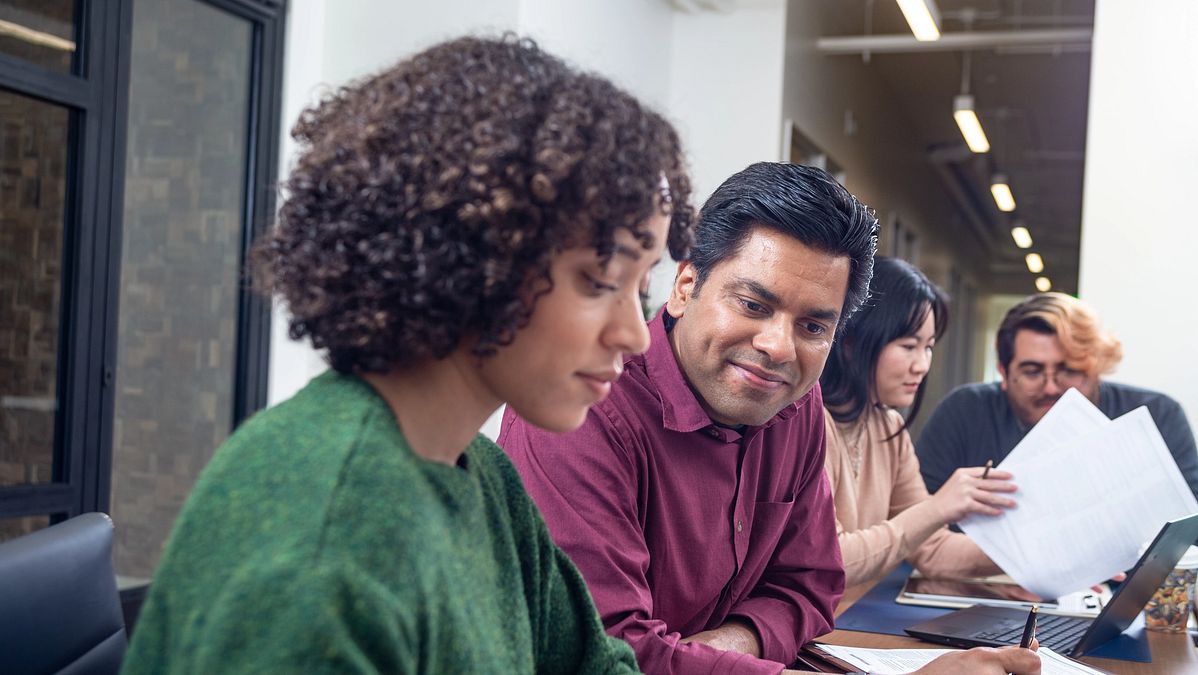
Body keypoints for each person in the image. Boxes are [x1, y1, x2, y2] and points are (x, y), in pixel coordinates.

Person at [121, 35, 696, 673]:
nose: (636, 334)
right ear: (477, 253)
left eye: (640, 290)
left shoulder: (479, 474)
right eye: (599, 281)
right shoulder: (323, 551)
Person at [500, 163, 1040, 675]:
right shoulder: (583, 405)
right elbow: (611, 658)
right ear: (685, 286)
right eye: (754, 306)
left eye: (812, 327)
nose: (778, 347)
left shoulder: (793, 401)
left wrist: (715, 651)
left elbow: (811, 585)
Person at [820, 257, 1016, 589]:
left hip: (856, 625)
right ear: (853, 341)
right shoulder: (808, 422)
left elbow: (934, 551)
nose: (922, 365)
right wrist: (938, 508)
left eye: (928, 347)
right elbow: (829, 562)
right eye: (909, 346)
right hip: (824, 630)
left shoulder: (887, 426)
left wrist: (1042, 551)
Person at [917, 292, 1198, 499]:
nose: (1051, 387)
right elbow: (921, 516)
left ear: (1096, 368)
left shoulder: (1157, 415)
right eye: (1032, 371)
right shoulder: (965, 412)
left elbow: (1188, 524)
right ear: (1003, 371)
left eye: (1070, 371)